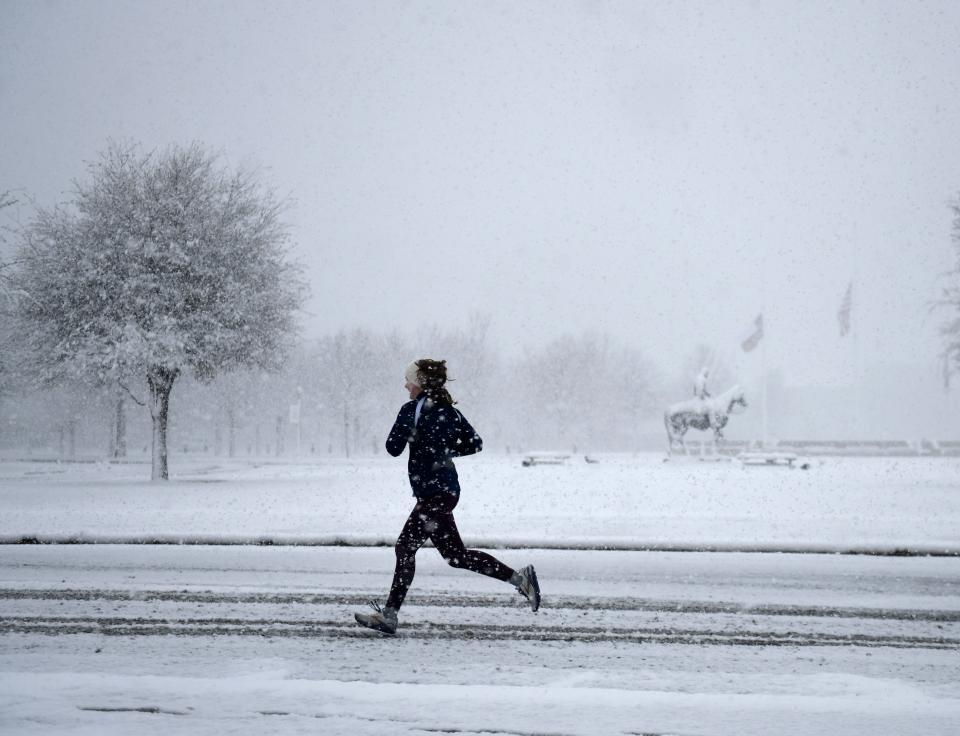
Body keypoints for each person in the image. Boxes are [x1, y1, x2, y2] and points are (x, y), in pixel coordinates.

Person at [355, 358, 540, 635]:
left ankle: (390, 616)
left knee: (405, 548)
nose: (406, 385)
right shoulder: (450, 412)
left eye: (409, 381)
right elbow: (475, 443)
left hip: (433, 494)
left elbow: (392, 448)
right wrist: (444, 451)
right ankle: (520, 578)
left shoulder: (412, 410)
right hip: (446, 491)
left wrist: (417, 438)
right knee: (455, 556)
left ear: (419, 383)